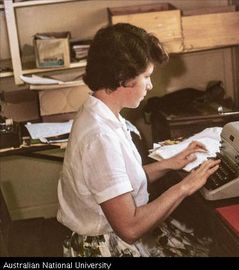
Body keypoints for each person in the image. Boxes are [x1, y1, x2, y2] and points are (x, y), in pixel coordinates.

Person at [56, 23, 220, 257]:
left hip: (114, 233)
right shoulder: (100, 137)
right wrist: (185, 186)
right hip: (106, 247)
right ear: (123, 78)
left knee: (204, 246)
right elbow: (130, 229)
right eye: (147, 76)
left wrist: (170, 163)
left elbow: (120, 183)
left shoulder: (101, 113)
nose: (150, 85)